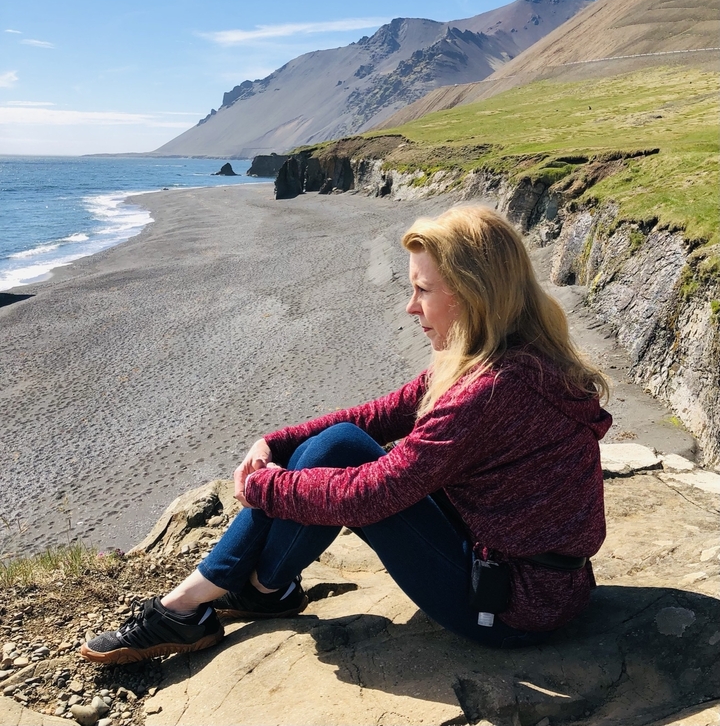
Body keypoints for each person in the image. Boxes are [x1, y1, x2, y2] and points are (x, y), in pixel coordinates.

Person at [80, 205, 611, 665]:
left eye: (423, 290)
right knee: (336, 443)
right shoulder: (511, 354)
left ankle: (192, 605)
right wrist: (278, 441)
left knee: (348, 466)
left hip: (511, 604)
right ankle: (256, 592)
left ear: (473, 296)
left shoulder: (494, 389)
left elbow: (373, 493)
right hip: (522, 571)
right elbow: (387, 411)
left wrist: (262, 487)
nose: (410, 306)